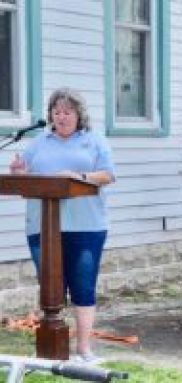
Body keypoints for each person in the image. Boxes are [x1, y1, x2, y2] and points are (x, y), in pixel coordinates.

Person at [9, 87, 116, 363]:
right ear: (50, 116)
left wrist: (77, 175)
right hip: (42, 227)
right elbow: (26, 178)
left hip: (86, 226)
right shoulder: (38, 143)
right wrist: (20, 173)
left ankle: (83, 349)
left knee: (83, 287)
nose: (62, 116)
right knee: (50, 290)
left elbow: (107, 175)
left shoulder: (94, 142)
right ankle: (51, 348)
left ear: (79, 115)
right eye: (57, 112)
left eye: (68, 111)